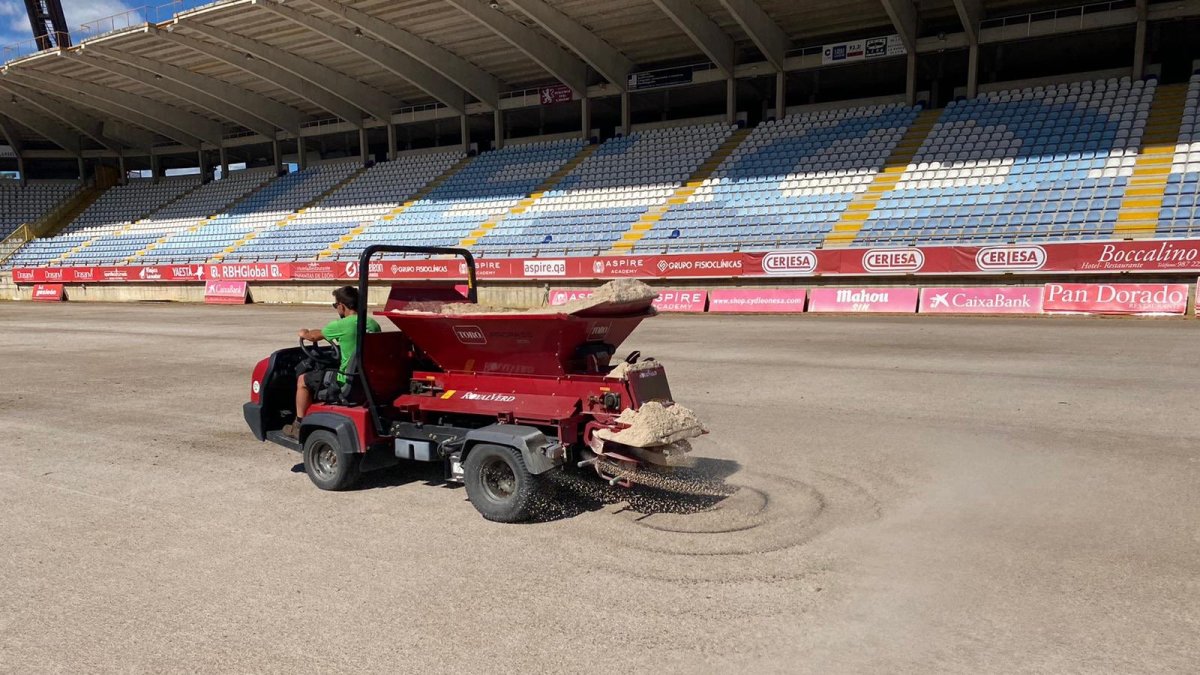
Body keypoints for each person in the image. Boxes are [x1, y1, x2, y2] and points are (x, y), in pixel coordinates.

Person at [284, 286, 380, 438]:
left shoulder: (340, 325)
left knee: (302, 380)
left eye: (336, 305)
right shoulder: (372, 324)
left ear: (342, 305)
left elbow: (314, 336)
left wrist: (304, 333)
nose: (336, 308)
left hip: (346, 381)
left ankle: (298, 424)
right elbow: (324, 333)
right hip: (365, 381)